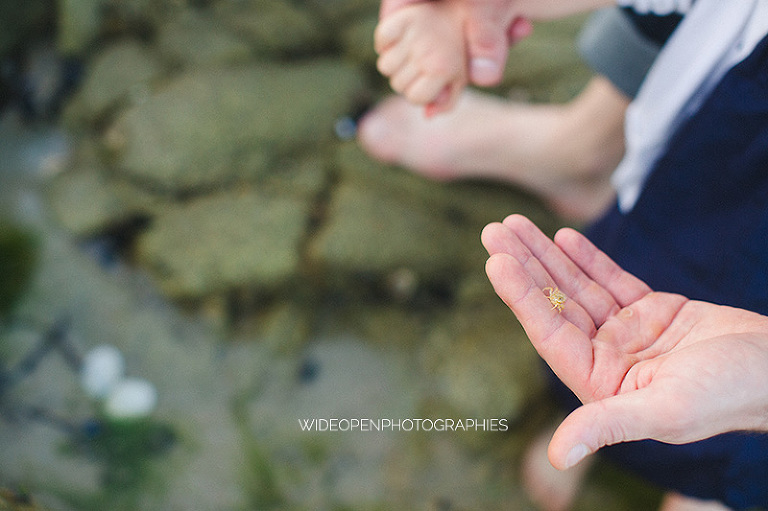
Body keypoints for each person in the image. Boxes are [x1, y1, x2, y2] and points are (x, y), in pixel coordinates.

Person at [370, 0, 768, 509]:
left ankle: (716, 488)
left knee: (719, 400)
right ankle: (595, 419)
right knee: (615, 309)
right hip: (704, 179)